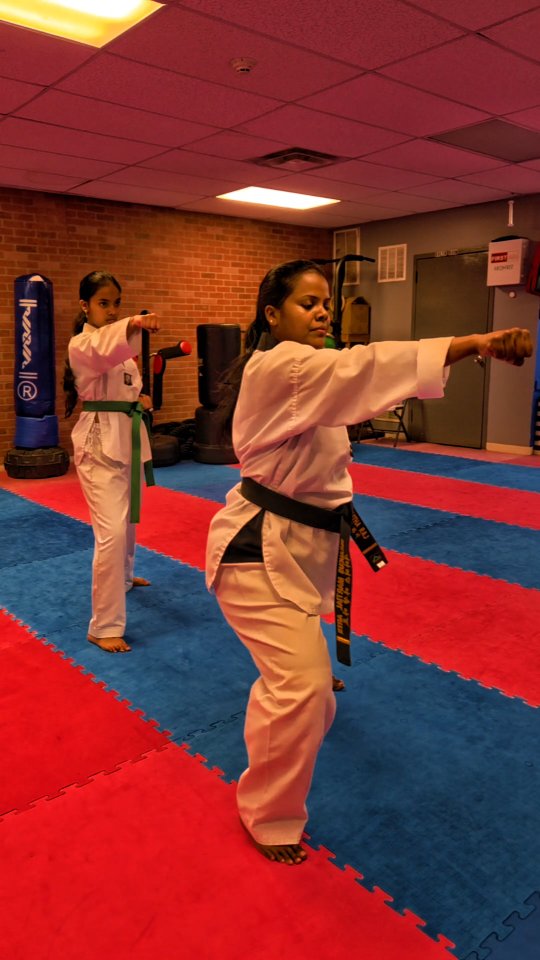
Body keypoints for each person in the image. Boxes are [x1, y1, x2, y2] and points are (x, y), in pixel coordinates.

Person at [205, 258, 532, 867]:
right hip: (256, 552)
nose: (323, 311)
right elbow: (366, 366)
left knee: (314, 696)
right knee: (302, 688)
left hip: (300, 549)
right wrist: (474, 342)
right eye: (307, 303)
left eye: (326, 301)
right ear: (272, 315)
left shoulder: (307, 374)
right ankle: (268, 815)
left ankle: (299, 699)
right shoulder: (282, 366)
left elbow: (356, 383)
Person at [63, 270, 160, 653]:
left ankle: (124, 575)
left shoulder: (121, 352)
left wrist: (141, 400)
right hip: (98, 444)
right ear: (85, 305)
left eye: (116, 303)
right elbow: (104, 348)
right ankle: (103, 626)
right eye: (103, 303)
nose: (111, 310)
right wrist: (133, 321)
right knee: (112, 533)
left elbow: (126, 387)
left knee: (129, 519)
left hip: (127, 438)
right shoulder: (82, 344)